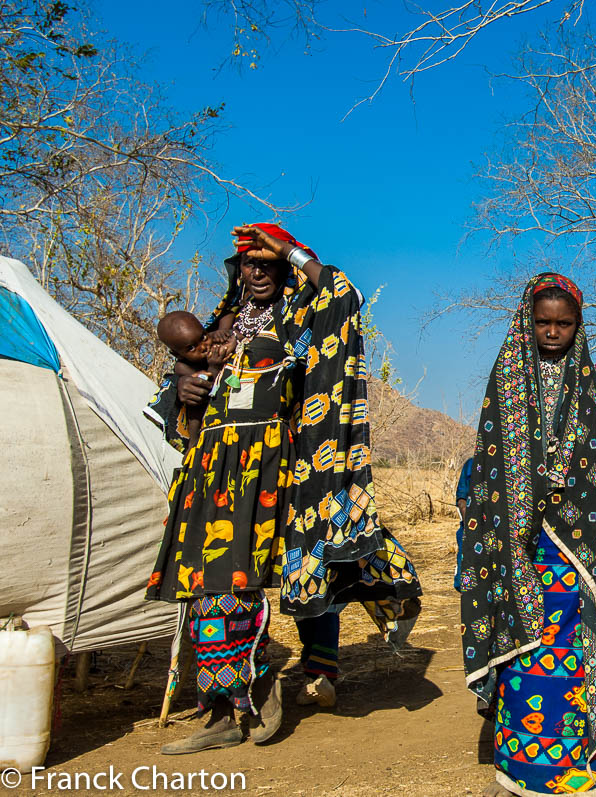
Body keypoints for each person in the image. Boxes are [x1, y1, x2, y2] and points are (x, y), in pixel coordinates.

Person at [146, 223, 423, 754]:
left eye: (269, 262)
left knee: (308, 569)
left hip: (281, 465)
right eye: (249, 262)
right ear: (237, 271)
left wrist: (291, 249)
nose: (258, 271)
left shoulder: (301, 318)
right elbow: (179, 408)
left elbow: (347, 297)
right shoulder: (214, 328)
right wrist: (182, 394)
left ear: (286, 267)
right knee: (213, 586)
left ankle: (315, 668)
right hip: (214, 470)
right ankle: (226, 708)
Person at [459, 273, 596, 797]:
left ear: (579, 327)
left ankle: (575, 774)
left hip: (575, 546)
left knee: (572, 659)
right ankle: (518, 772)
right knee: (525, 654)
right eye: (543, 322)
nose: (552, 331)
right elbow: (493, 467)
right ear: (526, 322)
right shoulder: (508, 380)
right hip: (518, 546)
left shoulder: (592, 388)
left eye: (564, 323)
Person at [154, 310, 233, 448]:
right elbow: (205, 387)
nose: (203, 347)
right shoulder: (182, 367)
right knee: (194, 399)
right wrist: (214, 366)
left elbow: (229, 312)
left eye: (203, 337)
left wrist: (222, 332)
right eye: (191, 347)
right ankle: (194, 441)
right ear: (177, 354)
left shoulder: (210, 340)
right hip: (202, 412)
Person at [452, 456, 475, 593]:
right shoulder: (471, 465)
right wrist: (471, 526)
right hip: (470, 529)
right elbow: (461, 498)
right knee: (464, 580)